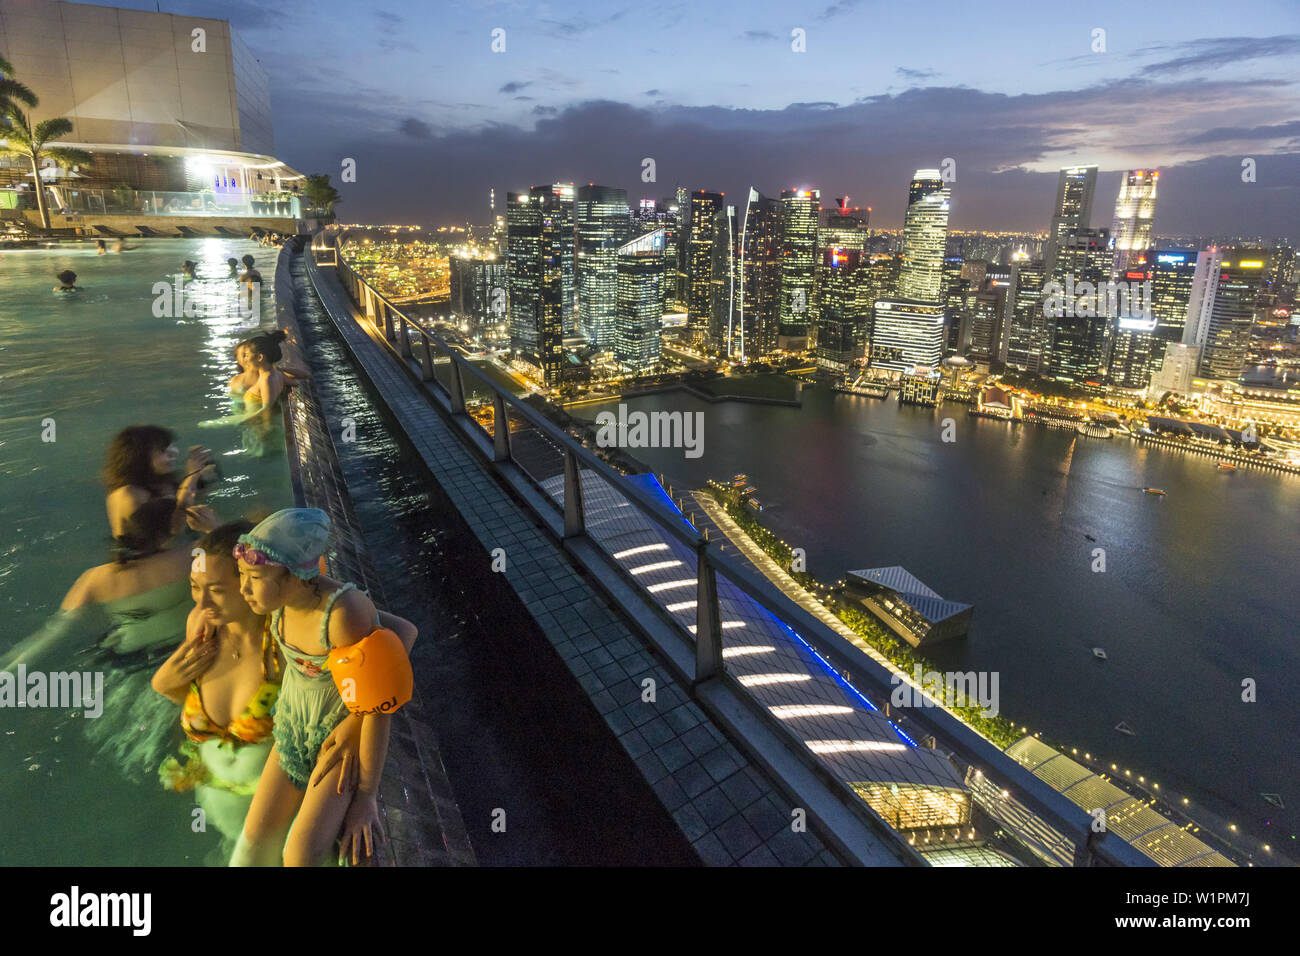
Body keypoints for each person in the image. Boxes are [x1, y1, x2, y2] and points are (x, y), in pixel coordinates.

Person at [231, 509, 417, 867]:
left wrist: (366, 796)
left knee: (299, 856)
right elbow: (402, 631)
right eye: (242, 575)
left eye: (254, 576)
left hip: (339, 741)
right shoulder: (280, 604)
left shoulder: (340, 615)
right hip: (294, 728)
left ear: (295, 576)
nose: (243, 588)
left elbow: (379, 708)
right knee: (254, 838)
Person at [0, 499, 199, 780]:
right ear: (171, 531)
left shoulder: (94, 579)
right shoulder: (191, 556)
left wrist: (6, 671)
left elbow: (51, 635)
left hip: (126, 671)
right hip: (184, 663)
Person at [103, 425, 218, 540]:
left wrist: (204, 472)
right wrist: (192, 476)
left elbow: (194, 499)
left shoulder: (163, 483)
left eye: (171, 447)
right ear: (139, 455)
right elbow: (171, 531)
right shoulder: (127, 494)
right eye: (163, 450)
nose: (174, 452)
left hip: (173, 552)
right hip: (143, 556)